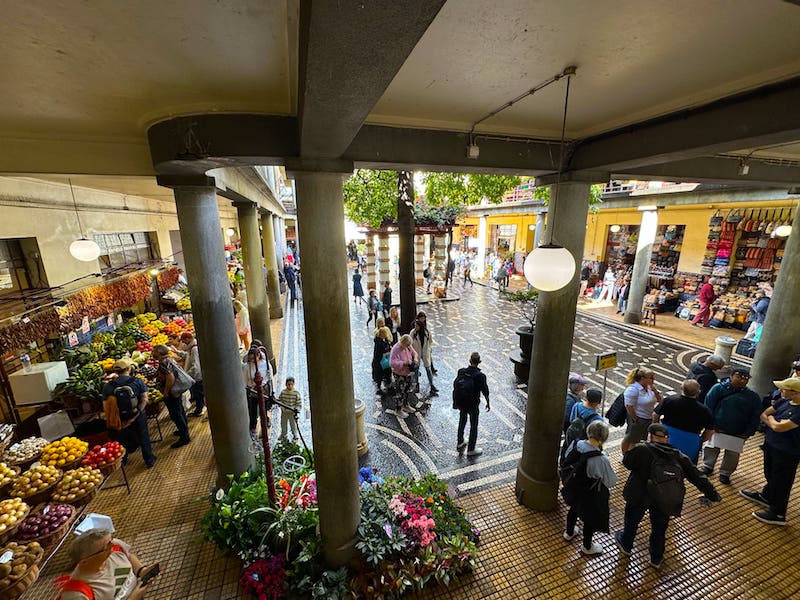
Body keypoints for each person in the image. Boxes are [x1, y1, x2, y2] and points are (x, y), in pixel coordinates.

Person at [614, 423, 720, 568]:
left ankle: (626, 545)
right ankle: (656, 558)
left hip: (639, 494)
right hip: (664, 498)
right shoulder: (678, 455)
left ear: (650, 436)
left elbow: (627, 462)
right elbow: (696, 475)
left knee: (631, 521)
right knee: (659, 528)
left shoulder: (642, 449)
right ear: (667, 439)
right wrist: (712, 494)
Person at [740, 377, 800, 526]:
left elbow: (779, 427)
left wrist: (773, 422)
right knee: (771, 474)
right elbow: (764, 414)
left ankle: (778, 513)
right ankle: (767, 496)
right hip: (772, 445)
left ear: (796, 392)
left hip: (788, 452)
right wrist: (774, 422)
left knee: (782, 481)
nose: (780, 390)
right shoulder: (784, 401)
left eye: (784, 388)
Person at [562, 420, 618, 555]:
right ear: (603, 439)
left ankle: (569, 532)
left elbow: (565, 459)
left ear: (588, 432)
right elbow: (611, 482)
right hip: (590, 494)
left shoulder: (576, 444)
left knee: (574, 509)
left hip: (574, 487)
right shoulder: (602, 459)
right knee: (589, 519)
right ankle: (587, 547)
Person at [701, 366, 762, 484]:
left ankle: (725, 473)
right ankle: (708, 465)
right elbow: (708, 406)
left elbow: (755, 416)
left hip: (738, 432)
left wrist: (748, 432)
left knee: (733, 454)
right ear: (731, 376)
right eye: (739, 377)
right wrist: (711, 425)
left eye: (746, 379)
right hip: (717, 428)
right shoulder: (718, 388)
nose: (742, 380)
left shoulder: (752, 396)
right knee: (712, 447)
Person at [57, 528, 156, 599]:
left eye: (110, 541)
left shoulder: (114, 547)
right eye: (106, 547)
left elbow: (128, 556)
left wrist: (141, 571)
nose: (112, 546)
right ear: (84, 561)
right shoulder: (76, 594)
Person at [101, 358, 155, 468]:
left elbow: (105, 405)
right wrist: (138, 413)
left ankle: (123, 460)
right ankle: (149, 459)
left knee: (121, 439)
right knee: (143, 436)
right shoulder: (137, 381)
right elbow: (145, 399)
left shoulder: (108, 386)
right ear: (128, 369)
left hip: (120, 417)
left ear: (115, 371)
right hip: (137, 415)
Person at [653, 379, 714, 463]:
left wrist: (657, 429)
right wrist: (700, 440)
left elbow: (655, 415)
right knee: (686, 466)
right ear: (698, 392)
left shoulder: (670, 400)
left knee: (661, 461)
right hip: (690, 441)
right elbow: (710, 431)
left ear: (681, 388)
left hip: (668, 436)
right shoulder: (705, 410)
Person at [152, 345, 192, 449]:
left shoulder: (163, 363)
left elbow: (170, 378)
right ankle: (183, 429)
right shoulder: (169, 359)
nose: (152, 353)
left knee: (176, 414)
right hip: (175, 391)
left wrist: (165, 392)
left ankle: (185, 437)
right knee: (180, 410)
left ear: (159, 352)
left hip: (172, 392)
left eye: (154, 351)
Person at [453, 352, 490, 457]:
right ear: (479, 362)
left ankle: (460, 441)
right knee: (474, 425)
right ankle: (471, 449)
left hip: (461, 402)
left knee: (462, 420)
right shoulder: (480, 376)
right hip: (473, 403)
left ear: (470, 361)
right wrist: (488, 402)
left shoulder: (461, 371)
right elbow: (485, 391)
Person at [621, 367, 661, 454]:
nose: (653, 380)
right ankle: (625, 455)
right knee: (630, 438)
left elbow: (659, 400)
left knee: (641, 438)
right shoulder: (633, 390)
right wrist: (636, 420)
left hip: (648, 418)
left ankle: (635, 454)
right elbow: (628, 406)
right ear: (643, 378)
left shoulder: (650, 388)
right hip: (638, 418)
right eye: (651, 378)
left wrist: (655, 391)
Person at [170, 331, 204, 418]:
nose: (183, 343)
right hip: (194, 376)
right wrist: (177, 352)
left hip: (196, 377)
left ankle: (199, 411)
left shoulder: (194, 349)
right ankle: (198, 408)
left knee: (199, 394)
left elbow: (196, 366)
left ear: (188, 339)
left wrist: (187, 375)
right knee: (197, 393)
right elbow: (187, 355)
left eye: (184, 340)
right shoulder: (191, 348)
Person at [242, 345, 274, 438]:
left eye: (254, 358)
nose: (253, 360)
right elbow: (244, 379)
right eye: (251, 359)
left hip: (263, 390)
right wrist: (247, 388)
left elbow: (270, 377)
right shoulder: (247, 367)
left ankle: (265, 424)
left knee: (263, 408)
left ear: (259, 355)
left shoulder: (265, 364)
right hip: (253, 391)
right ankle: (253, 427)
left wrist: (272, 391)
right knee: (253, 410)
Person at [389, 334, 419, 416]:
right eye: (407, 345)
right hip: (399, 374)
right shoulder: (396, 349)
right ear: (403, 342)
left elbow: (414, 353)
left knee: (407, 390)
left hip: (408, 373)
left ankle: (405, 405)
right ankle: (398, 409)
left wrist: (415, 358)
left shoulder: (408, 346)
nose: (409, 347)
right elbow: (392, 363)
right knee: (400, 392)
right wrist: (404, 363)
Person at [410, 318, 437, 397]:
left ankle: (432, 385)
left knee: (428, 369)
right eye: (415, 326)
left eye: (417, 326)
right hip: (417, 353)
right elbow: (410, 343)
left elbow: (430, 341)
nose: (415, 327)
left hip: (425, 353)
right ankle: (416, 384)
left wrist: (428, 349)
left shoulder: (427, 332)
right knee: (416, 369)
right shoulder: (413, 333)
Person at [277, 377, 303, 443]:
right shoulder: (283, 392)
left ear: (294, 384)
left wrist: (297, 409)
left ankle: (295, 435)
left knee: (293, 425)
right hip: (284, 412)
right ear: (286, 384)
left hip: (292, 413)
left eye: (291, 384)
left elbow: (299, 403)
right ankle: (283, 434)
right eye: (288, 384)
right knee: (283, 424)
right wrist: (281, 407)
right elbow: (280, 401)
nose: (290, 386)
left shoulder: (296, 393)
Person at [372, 326, 393, 394]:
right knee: (379, 375)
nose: (386, 334)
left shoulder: (386, 340)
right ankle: (379, 388)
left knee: (388, 373)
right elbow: (379, 352)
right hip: (380, 361)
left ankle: (389, 386)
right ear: (381, 334)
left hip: (386, 360)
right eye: (385, 333)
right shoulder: (378, 342)